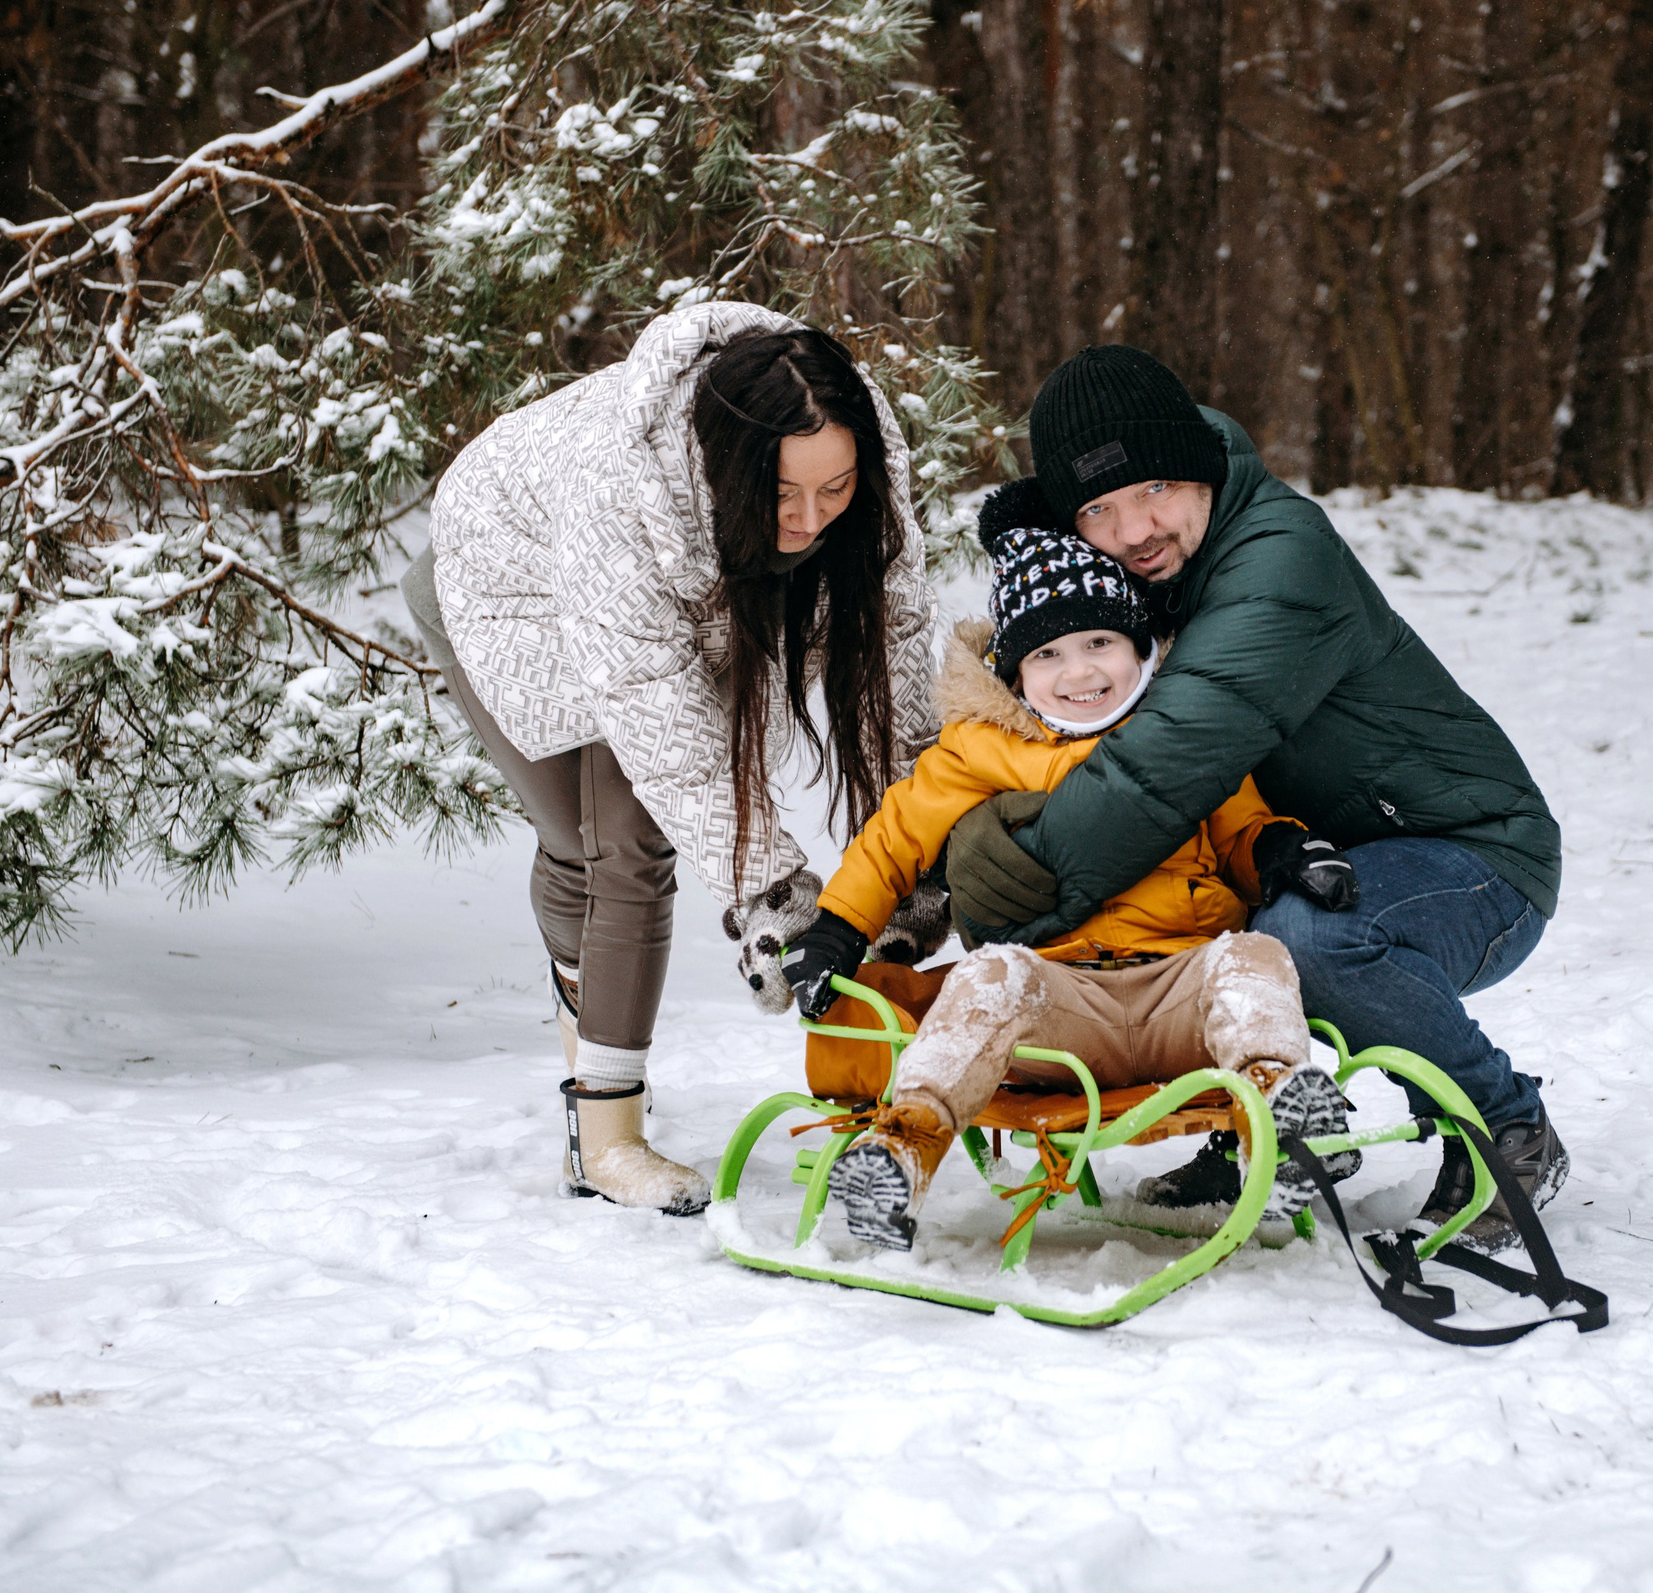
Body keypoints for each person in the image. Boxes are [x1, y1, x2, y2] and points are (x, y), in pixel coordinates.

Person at [940, 345, 1566, 1254]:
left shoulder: (1278, 559)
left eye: (1153, 486)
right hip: (1310, 850)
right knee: (1201, 916)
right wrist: (948, 842)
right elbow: (1056, 725)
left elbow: (1162, 763)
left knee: (1308, 939)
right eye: (1098, 510)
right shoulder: (1159, 574)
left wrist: (1024, 877)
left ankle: (1509, 1126)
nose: (1134, 526)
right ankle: (1255, 1133)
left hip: (1476, 858)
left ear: (1193, 463)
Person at [407, 302, 951, 1214]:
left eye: (835, 489)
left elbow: (892, 671)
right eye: (785, 495)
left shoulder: (865, 472)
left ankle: (593, 1037)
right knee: (619, 841)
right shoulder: (624, 498)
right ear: (735, 471)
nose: (813, 518)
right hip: (499, 584)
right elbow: (678, 750)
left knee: (609, 844)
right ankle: (606, 1140)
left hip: (672, 592)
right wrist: (775, 902)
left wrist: (917, 875)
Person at [775, 493, 1363, 1251]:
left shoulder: (1179, 732)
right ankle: (900, 1152)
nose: (1078, 671)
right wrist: (835, 928)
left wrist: (1281, 847)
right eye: (1047, 654)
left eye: (1098, 643)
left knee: (1255, 959)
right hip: (1059, 1009)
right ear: (1016, 674)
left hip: (1179, 988)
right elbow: (896, 837)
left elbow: (1241, 823)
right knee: (987, 976)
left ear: (1140, 647)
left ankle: (1282, 1124)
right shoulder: (980, 747)